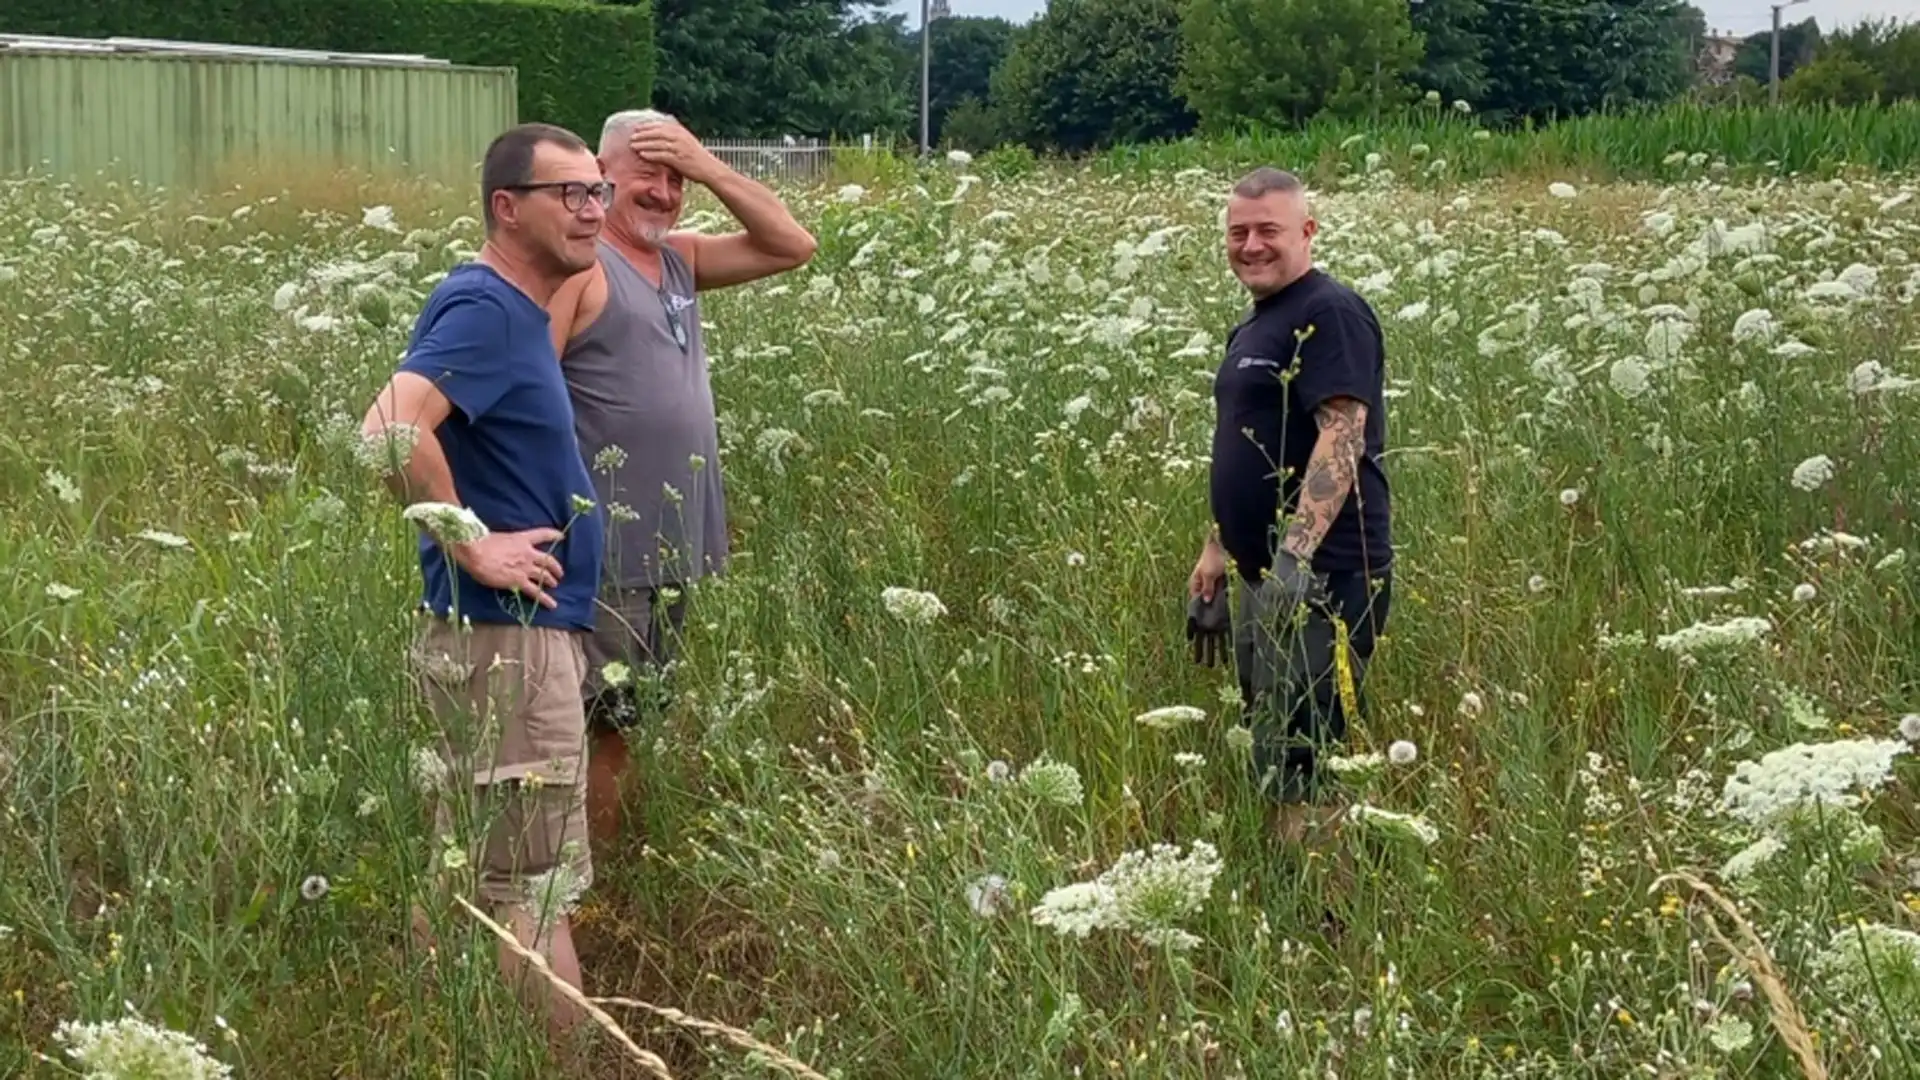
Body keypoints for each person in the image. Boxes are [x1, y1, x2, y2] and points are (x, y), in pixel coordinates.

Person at [359, 121, 611, 1046]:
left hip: (490, 644)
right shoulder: (489, 308)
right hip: (507, 641)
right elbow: (387, 429)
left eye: (598, 192)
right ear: (508, 208)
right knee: (533, 892)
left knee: (469, 871)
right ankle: (570, 1066)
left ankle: (442, 1044)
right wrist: (473, 544)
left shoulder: (511, 310)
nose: (592, 210)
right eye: (569, 194)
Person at [546, 109, 817, 844]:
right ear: (601, 180)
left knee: (632, 726)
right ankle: (578, 883)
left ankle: (604, 866)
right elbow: (524, 392)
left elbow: (793, 244)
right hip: (602, 554)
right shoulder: (581, 268)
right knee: (591, 730)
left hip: (670, 547)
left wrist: (707, 164)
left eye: (676, 178)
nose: (665, 193)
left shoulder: (678, 262)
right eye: (648, 175)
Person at [1186, 166, 1394, 859]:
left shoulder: (1329, 312)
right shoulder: (1256, 325)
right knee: (1274, 748)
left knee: (1306, 760)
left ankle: (1325, 923)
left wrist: (1294, 558)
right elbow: (1246, 445)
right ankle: (1293, 905)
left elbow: (1342, 434)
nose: (1250, 245)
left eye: (1267, 230)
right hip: (1266, 579)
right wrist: (1219, 550)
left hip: (1321, 581)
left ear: (1307, 231)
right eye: (1238, 232)